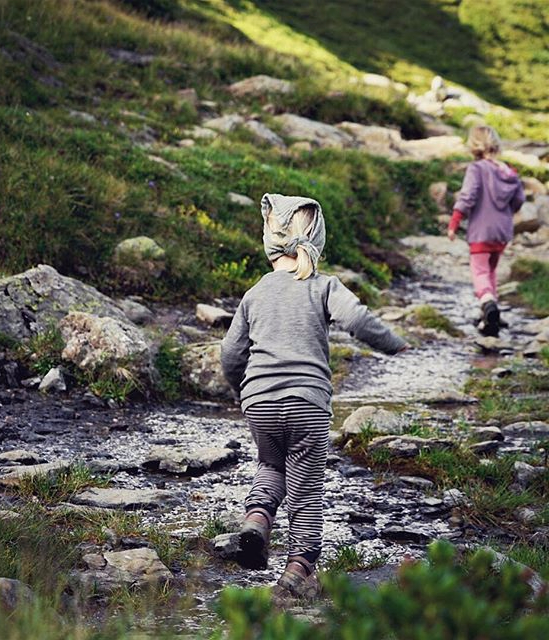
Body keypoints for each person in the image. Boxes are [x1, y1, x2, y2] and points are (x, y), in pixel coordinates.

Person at [220, 193, 408, 602]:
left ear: (270, 242)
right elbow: (356, 318)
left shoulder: (255, 292)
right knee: (306, 490)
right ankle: (298, 572)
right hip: (307, 403)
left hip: (259, 402)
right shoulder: (323, 285)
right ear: (316, 240)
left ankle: (256, 520)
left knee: (271, 464)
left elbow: (230, 354)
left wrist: (242, 391)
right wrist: (393, 343)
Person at [447, 125, 525, 337]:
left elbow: (468, 196)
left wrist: (455, 221)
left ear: (474, 145)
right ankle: (491, 315)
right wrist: (506, 212)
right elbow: (519, 199)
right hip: (502, 231)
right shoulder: (509, 172)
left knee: (479, 271)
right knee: (491, 270)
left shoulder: (477, 169)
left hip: (481, 230)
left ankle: (488, 304)